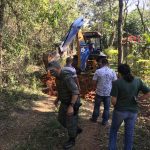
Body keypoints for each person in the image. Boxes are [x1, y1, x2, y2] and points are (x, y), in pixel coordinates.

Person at [109, 64, 150, 150]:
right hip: (133, 112)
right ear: (129, 71)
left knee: (113, 131)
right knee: (129, 134)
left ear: (119, 73)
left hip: (120, 111)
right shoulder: (138, 80)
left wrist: (115, 105)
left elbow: (113, 101)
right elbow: (148, 92)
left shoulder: (117, 83)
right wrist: (139, 99)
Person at [47, 61, 82, 149]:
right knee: (61, 119)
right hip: (64, 102)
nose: (51, 72)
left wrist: (71, 106)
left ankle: (72, 140)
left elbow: (75, 92)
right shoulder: (58, 78)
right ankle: (75, 129)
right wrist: (57, 99)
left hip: (72, 102)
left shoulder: (67, 77)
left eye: (52, 70)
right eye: (50, 71)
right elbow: (61, 90)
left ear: (58, 68)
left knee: (70, 121)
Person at [90, 58, 117, 125]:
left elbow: (93, 82)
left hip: (99, 91)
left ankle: (94, 119)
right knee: (107, 108)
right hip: (108, 92)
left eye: (100, 63)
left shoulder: (98, 71)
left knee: (97, 106)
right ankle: (105, 121)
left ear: (101, 63)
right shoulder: (112, 71)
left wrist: (97, 84)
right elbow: (115, 82)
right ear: (107, 64)